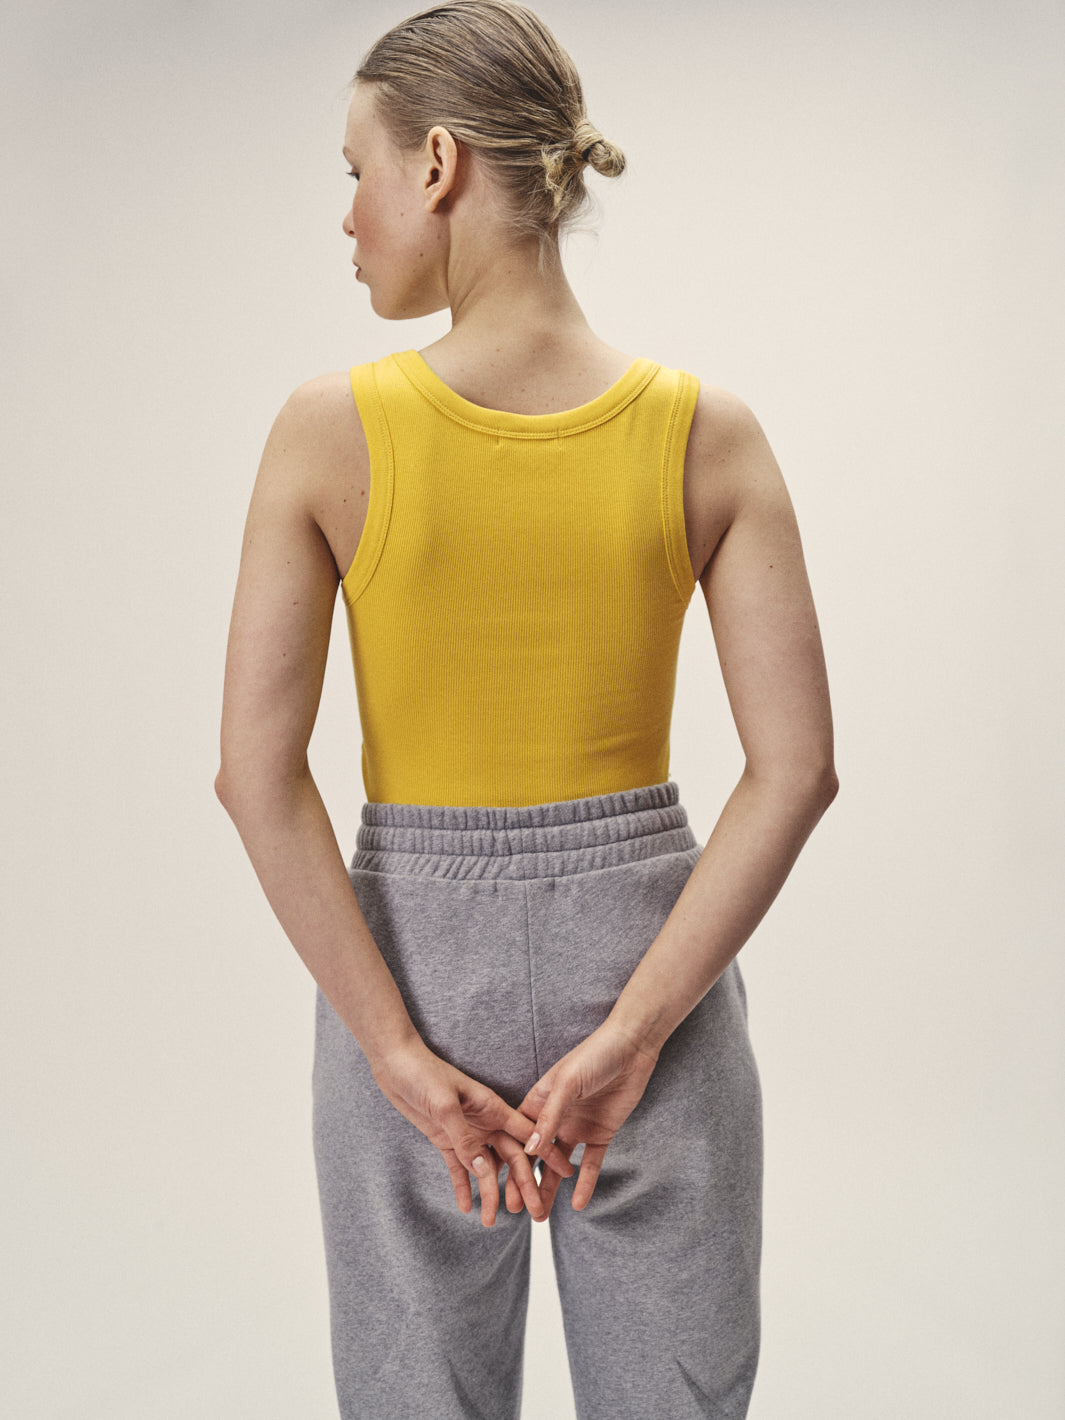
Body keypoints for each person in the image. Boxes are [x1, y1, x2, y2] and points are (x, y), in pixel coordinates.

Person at [214, 2, 838, 1416]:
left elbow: (255, 774)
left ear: (436, 163)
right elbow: (794, 769)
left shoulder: (327, 431)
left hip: (405, 969)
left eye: (357, 170)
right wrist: (636, 1033)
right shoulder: (707, 432)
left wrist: (394, 1054)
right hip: (653, 964)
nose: (347, 216)